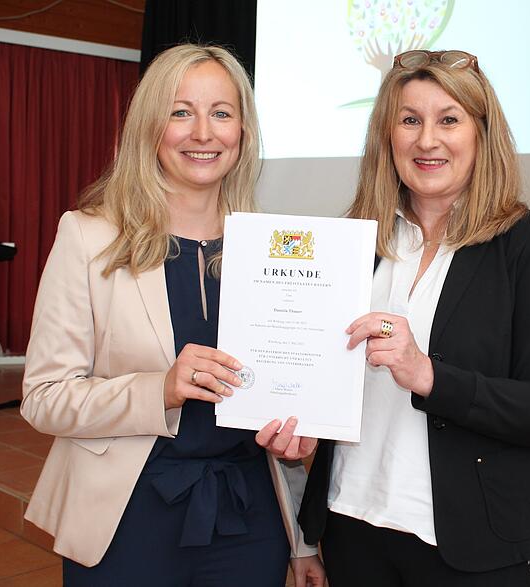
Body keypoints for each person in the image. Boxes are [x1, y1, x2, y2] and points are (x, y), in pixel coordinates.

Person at [260, 49, 530, 586]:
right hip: (353, 526)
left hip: (476, 547)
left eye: (448, 120)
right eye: (409, 120)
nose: (426, 140)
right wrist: (301, 423)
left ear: (482, 134)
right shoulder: (355, 242)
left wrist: (429, 375)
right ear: (388, 136)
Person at [21, 44, 325, 587]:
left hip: (249, 515)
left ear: (243, 132)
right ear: (149, 127)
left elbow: (285, 403)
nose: (203, 132)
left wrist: (304, 541)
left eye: (221, 113)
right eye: (180, 111)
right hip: (128, 512)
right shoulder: (89, 237)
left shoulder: (273, 249)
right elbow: (44, 399)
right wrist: (158, 388)